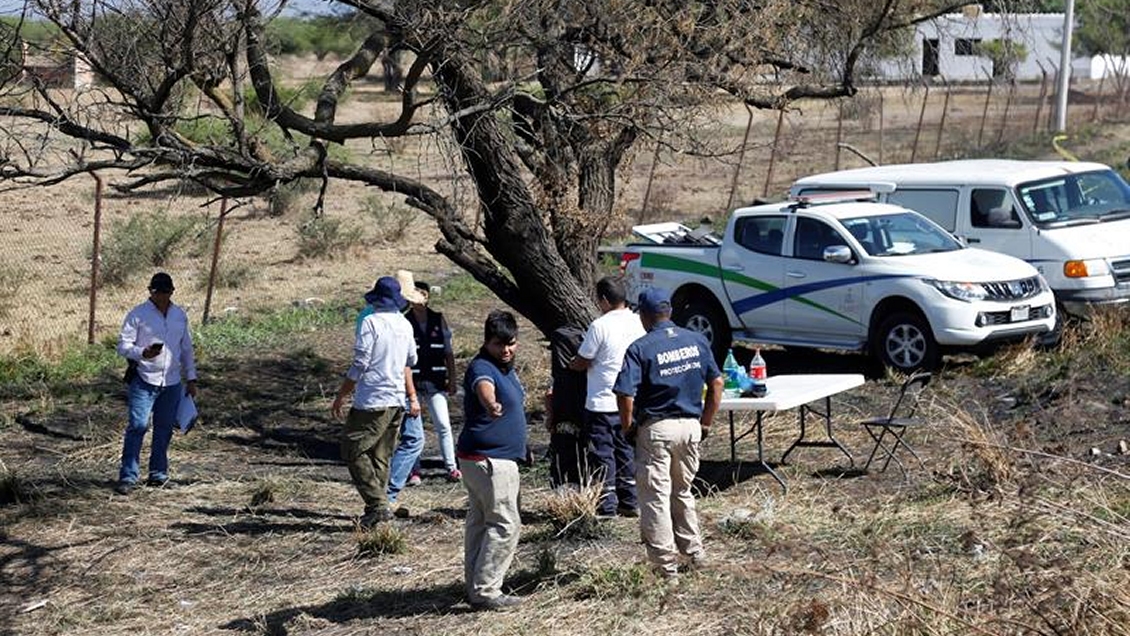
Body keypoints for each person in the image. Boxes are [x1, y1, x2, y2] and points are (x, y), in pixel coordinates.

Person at [613, 287, 723, 578]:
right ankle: (694, 553)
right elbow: (717, 384)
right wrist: (707, 423)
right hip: (690, 426)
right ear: (670, 312)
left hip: (657, 429)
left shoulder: (640, 348)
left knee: (655, 498)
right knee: (682, 491)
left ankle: (665, 567)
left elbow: (624, 394)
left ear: (645, 316)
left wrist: (628, 428)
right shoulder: (697, 340)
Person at [331, 276, 420, 528]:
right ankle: (378, 511)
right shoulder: (405, 324)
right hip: (396, 398)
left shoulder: (371, 322)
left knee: (352, 448)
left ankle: (377, 504)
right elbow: (411, 359)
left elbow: (361, 363)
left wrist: (342, 394)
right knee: (381, 454)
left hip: (373, 398)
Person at [457, 310, 526, 611]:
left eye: (511, 343)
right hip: (490, 461)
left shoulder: (506, 366)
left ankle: (475, 585)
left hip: (486, 458)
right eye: (499, 344)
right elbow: (484, 388)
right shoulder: (482, 367)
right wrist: (491, 403)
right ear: (487, 342)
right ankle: (487, 591)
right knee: (505, 524)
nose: (507, 349)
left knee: (480, 522)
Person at [114, 272, 198, 495]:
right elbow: (123, 345)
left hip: (171, 382)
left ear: (171, 292)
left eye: (165, 292)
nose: (160, 297)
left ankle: (158, 474)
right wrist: (142, 353)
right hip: (144, 378)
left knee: (164, 429)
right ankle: (128, 476)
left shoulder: (179, 315)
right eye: (156, 292)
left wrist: (191, 378)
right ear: (151, 292)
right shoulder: (138, 314)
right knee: (138, 426)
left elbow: (186, 349)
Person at [570, 276, 646, 517]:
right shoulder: (639, 322)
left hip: (601, 401)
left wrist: (571, 364)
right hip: (631, 401)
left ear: (603, 300)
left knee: (603, 454)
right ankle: (630, 500)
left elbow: (583, 360)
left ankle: (607, 504)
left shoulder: (599, 326)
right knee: (626, 451)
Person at [387, 274, 460, 509]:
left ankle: (451, 466)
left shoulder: (439, 319)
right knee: (413, 431)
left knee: (443, 425)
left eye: (423, 294)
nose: (420, 298)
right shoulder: (404, 321)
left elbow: (448, 351)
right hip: (413, 383)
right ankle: (414, 470)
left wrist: (453, 378)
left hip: (437, 380)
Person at [545, 325, 588, 490]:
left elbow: (549, 393)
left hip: (564, 426)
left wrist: (550, 417)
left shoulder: (561, 372)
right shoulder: (589, 369)